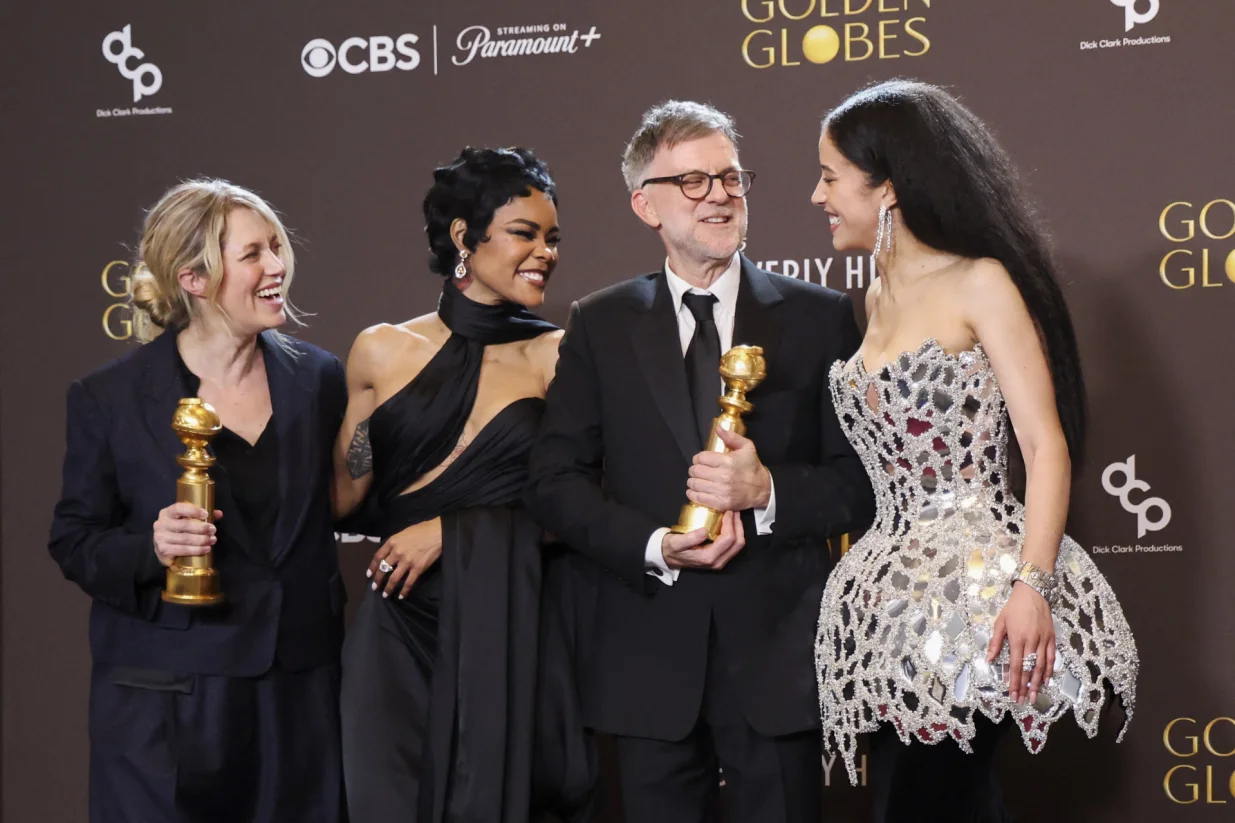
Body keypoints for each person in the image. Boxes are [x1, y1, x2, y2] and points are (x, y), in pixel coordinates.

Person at [525, 101, 875, 823]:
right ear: (643, 203)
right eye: (691, 182)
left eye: (729, 177)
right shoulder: (599, 322)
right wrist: (653, 544)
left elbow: (860, 484)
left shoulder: (819, 317)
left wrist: (767, 490)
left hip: (776, 657)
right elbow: (554, 481)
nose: (718, 194)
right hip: (646, 658)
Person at [811, 79, 1140, 822]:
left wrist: (1033, 586)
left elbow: (1043, 444)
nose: (816, 196)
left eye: (830, 177)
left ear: (885, 187)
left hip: (977, 596)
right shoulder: (872, 296)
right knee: (912, 799)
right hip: (891, 606)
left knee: (941, 797)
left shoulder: (979, 282)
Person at [48, 179, 348, 822]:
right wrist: (150, 548)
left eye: (276, 247)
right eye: (252, 255)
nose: (276, 267)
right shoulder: (111, 397)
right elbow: (74, 539)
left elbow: (348, 503)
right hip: (167, 700)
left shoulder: (320, 378)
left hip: (295, 690)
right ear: (193, 279)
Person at [334, 147, 593, 823]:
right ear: (462, 238)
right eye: (524, 233)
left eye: (553, 237)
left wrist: (454, 531)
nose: (544, 252)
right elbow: (342, 497)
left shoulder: (557, 357)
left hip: (511, 624)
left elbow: (581, 508)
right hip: (397, 625)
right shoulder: (379, 350)